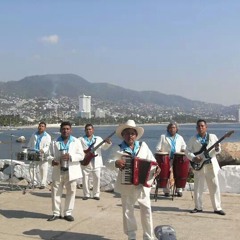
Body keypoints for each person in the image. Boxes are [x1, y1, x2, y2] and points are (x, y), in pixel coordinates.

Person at [108, 119, 158, 240]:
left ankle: (148, 236)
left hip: (142, 184)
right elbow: (107, 162)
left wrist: (157, 168)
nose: (130, 135)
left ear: (136, 135)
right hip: (126, 184)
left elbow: (153, 161)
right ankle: (131, 236)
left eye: (132, 133)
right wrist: (116, 162)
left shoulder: (143, 146)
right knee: (128, 211)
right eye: (127, 133)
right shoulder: (117, 148)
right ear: (123, 135)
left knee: (146, 209)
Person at [185, 119, 225, 215]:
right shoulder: (193, 139)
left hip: (210, 164)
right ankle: (198, 207)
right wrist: (194, 158)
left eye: (202, 126)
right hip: (199, 166)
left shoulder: (212, 137)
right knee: (198, 186)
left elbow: (218, 150)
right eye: (198, 126)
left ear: (206, 127)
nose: (200, 128)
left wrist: (216, 148)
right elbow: (187, 151)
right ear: (196, 128)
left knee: (214, 186)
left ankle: (217, 208)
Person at [47, 121, 84, 222]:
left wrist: (71, 157)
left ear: (70, 130)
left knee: (71, 192)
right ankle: (56, 213)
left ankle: (68, 213)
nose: (65, 131)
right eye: (63, 129)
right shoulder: (54, 142)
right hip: (58, 170)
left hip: (71, 171)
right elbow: (48, 155)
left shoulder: (76, 141)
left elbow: (81, 155)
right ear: (60, 130)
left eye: (67, 129)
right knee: (55, 192)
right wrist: (52, 161)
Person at [79, 123, 112, 200]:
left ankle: (96, 194)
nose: (88, 131)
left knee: (97, 178)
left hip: (96, 161)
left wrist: (108, 143)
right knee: (85, 179)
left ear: (93, 130)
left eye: (90, 129)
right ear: (85, 130)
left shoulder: (98, 139)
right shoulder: (80, 140)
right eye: (87, 129)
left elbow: (104, 148)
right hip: (86, 161)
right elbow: (78, 150)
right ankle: (86, 194)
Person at [155, 121, 186, 197]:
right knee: (166, 174)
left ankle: (179, 190)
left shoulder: (180, 137)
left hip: (178, 159)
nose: (172, 129)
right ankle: (167, 191)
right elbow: (157, 148)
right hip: (166, 159)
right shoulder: (163, 137)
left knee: (178, 174)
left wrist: (183, 150)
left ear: (176, 129)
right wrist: (161, 151)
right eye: (171, 128)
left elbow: (184, 146)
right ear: (168, 129)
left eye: (174, 128)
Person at [27, 121, 51, 189]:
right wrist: (27, 149)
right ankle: (34, 182)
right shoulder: (34, 134)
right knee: (31, 168)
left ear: (45, 128)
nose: (40, 127)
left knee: (43, 169)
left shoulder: (48, 136)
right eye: (40, 126)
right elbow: (30, 143)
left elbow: (48, 146)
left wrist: (43, 150)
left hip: (43, 154)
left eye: (42, 126)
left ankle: (43, 183)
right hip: (34, 153)